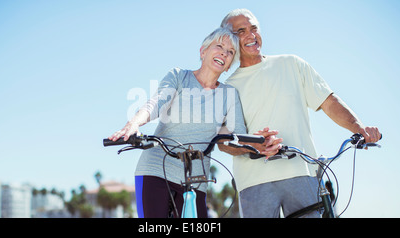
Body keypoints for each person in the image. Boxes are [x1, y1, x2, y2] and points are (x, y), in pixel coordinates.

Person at [218, 9, 381, 218]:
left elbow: (329, 102)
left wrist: (360, 129)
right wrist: (254, 145)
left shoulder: (292, 64)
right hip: (253, 182)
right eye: (241, 31)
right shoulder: (227, 88)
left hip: (303, 173)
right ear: (229, 39)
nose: (251, 35)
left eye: (254, 28)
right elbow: (223, 142)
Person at [108, 27, 282, 218]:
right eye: (219, 46)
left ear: (229, 64)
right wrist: (134, 123)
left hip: (195, 178)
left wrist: (259, 144)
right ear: (203, 51)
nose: (224, 52)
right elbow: (157, 103)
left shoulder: (229, 95)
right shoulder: (179, 77)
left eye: (230, 52)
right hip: (155, 169)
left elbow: (238, 137)